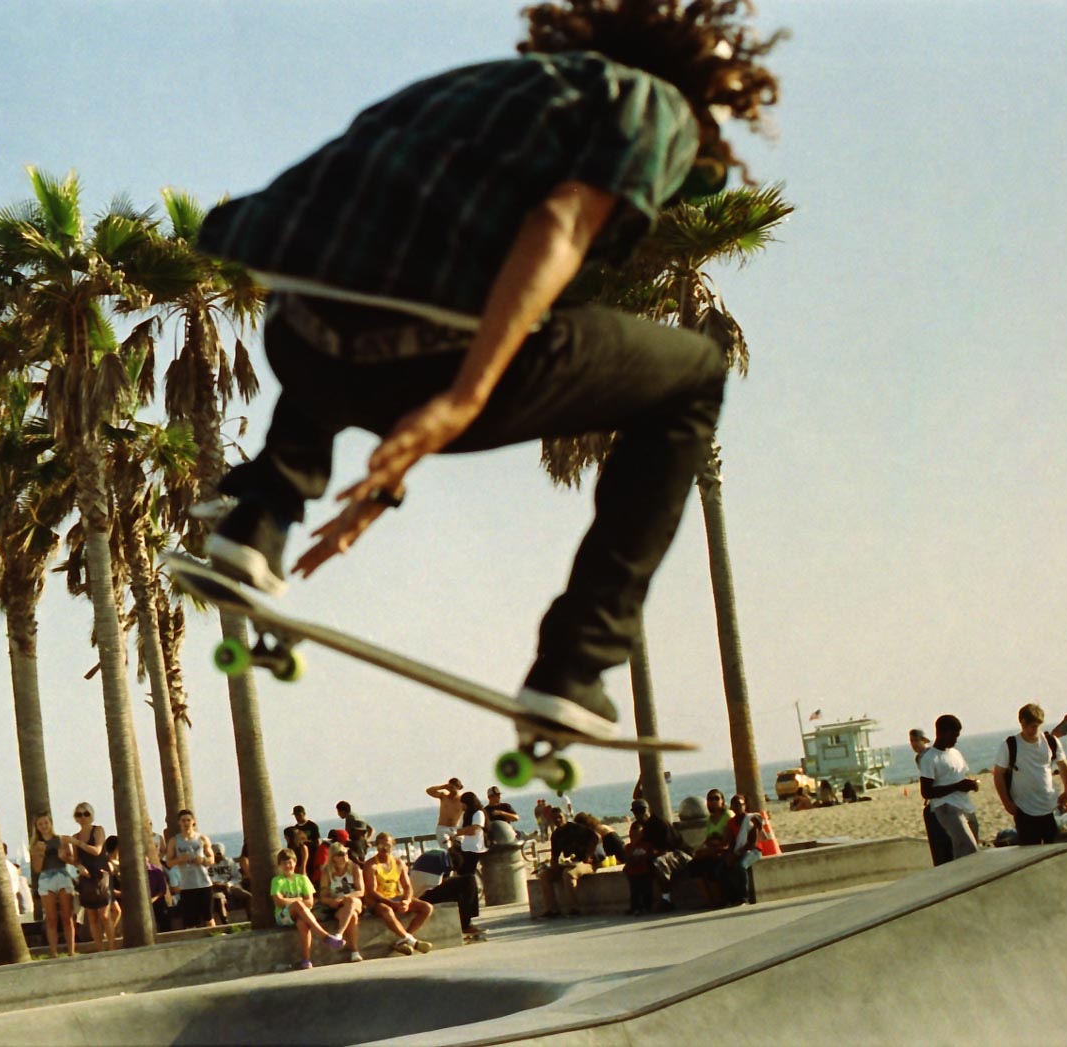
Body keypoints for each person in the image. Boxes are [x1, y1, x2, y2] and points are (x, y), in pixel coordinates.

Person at [196, 2, 783, 745]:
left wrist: (380, 484)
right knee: (695, 373)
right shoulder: (655, 104)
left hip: (298, 339)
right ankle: (574, 666)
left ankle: (259, 516)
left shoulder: (475, 87)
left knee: (347, 274)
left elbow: (372, 253)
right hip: (425, 362)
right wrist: (465, 397)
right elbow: (563, 222)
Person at [993, 703, 1067, 845]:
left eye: (1034, 726)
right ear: (1021, 723)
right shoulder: (1010, 745)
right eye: (1026, 725)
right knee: (1030, 851)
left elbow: (1063, 766)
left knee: (1053, 852)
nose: (1030, 730)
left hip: (1051, 806)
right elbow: (998, 774)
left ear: (1040, 723)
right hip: (1024, 809)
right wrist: (1007, 803)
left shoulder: (1050, 742)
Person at [269, 848, 346, 971]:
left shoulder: (302, 879)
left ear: (295, 862)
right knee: (299, 905)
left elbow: (310, 901)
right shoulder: (277, 881)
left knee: (303, 923)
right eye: (284, 863)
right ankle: (325, 936)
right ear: (279, 865)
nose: (287, 866)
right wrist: (298, 900)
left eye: (290, 862)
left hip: (302, 914)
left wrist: (296, 902)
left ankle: (306, 960)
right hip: (283, 916)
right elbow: (279, 902)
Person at [918, 715, 981, 861]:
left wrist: (969, 785)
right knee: (968, 847)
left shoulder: (955, 753)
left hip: (965, 804)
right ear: (942, 733)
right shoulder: (930, 758)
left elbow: (958, 777)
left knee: (969, 849)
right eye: (954, 735)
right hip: (946, 807)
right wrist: (957, 786)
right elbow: (926, 792)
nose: (956, 739)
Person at [362, 833, 434, 955]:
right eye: (380, 845)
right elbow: (372, 891)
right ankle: (412, 941)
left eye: (387, 845)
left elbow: (407, 886)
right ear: (376, 846)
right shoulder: (371, 865)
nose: (384, 848)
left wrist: (406, 901)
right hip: (378, 901)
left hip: (396, 897)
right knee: (387, 911)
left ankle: (403, 939)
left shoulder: (398, 863)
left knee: (427, 907)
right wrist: (392, 904)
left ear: (393, 846)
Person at [68, 802, 118, 953]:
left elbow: (97, 850)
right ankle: (99, 948)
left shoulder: (98, 830)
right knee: (92, 916)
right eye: (79, 814)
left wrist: (77, 842)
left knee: (104, 914)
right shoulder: (75, 837)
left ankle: (111, 947)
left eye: (86, 814)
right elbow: (76, 858)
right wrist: (78, 866)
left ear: (91, 815)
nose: (83, 817)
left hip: (101, 874)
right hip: (86, 878)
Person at [29, 812, 77, 958]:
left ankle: (71, 951)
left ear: (51, 823)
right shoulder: (35, 845)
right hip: (46, 878)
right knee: (50, 918)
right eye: (40, 824)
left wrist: (64, 857)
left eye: (46, 823)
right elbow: (37, 869)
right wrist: (41, 853)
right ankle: (54, 952)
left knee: (67, 916)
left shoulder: (62, 840)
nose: (44, 826)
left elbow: (72, 860)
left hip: (62, 875)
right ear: (37, 827)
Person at [631, 797, 689, 913]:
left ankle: (666, 899)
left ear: (648, 810)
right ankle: (639, 903)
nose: (639, 815)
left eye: (641, 811)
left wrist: (647, 857)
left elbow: (665, 850)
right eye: (636, 812)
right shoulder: (643, 827)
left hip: (679, 853)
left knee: (658, 862)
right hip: (660, 854)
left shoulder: (660, 824)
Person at [537, 805, 594, 917]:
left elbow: (595, 837)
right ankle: (552, 910)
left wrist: (588, 855)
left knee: (568, 874)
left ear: (564, 816)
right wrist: (553, 867)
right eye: (554, 818)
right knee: (544, 876)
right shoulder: (556, 835)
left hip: (587, 863)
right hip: (571, 863)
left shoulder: (575, 828)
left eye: (560, 817)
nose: (557, 820)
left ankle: (575, 908)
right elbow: (555, 856)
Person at [909, 727, 955, 866]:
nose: (914, 744)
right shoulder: (919, 758)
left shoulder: (929, 755)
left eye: (917, 740)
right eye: (911, 741)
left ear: (924, 740)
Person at [165, 810, 218, 930]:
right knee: (190, 922)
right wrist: (180, 859)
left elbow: (212, 858)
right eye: (183, 820)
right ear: (179, 823)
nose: (186, 823)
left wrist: (203, 860)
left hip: (204, 884)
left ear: (193, 821)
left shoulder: (202, 838)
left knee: (209, 918)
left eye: (188, 820)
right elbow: (168, 862)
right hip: (187, 886)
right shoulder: (174, 841)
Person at [315, 841, 366, 962]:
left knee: (352, 901)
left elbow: (361, 891)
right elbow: (323, 895)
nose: (345, 856)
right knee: (351, 916)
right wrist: (331, 901)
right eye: (341, 854)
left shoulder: (354, 868)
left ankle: (339, 934)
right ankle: (354, 952)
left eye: (345, 853)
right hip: (338, 906)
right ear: (333, 857)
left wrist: (345, 898)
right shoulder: (327, 872)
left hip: (355, 902)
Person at [684, 789, 733, 906]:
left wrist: (714, 847)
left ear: (722, 801)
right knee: (693, 866)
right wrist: (700, 850)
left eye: (716, 798)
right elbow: (708, 839)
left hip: (725, 850)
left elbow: (727, 839)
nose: (713, 801)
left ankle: (719, 899)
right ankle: (708, 899)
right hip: (713, 849)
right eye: (710, 799)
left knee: (712, 867)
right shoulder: (710, 819)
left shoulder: (728, 815)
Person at [452, 791, 489, 939]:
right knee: (463, 881)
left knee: (467, 881)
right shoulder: (466, 815)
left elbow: (474, 829)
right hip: (465, 849)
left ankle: (467, 919)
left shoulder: (478, 813)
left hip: (474, 850)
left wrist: (457, 832)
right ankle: (464, 918)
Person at [721, 795, 762, 905]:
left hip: (754, 851)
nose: (737, 807)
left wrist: (739, 853)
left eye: (739, 804)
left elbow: (752, 842)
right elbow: (731, 841)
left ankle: (744, 898)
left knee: (740, 866)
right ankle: (731, 898)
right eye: (734, 805)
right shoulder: (731, 822)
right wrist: (730, 853)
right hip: (738, 850)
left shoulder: (751, 819)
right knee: (722, 868)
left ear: (745, 806)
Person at [622, 823, 656, 916]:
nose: (634, 837)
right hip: (632, 872)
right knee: (634, 891)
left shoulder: (646, 845)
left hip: (644, 871)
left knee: (646, 890)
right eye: (632, 835)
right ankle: (635, 907)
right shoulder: (628, 847)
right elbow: (627, 858)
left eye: (637, 835)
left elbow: (650, 855)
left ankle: (646, 907)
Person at [426, 779, 465, 851]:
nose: (451, 789)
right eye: (450, 787)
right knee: (447, 849)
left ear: (458, 787)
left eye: (453, 787)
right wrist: (442, 787)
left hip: (455, 828)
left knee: (460, 849)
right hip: (442, 828)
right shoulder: (443, 797)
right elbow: (429, 791)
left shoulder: (462, 800)